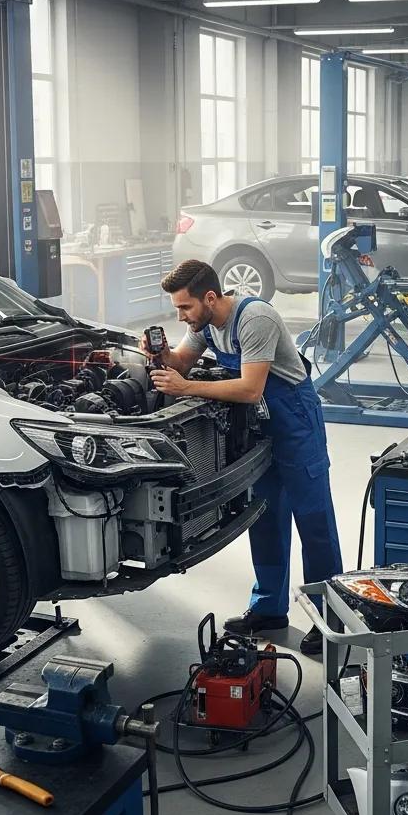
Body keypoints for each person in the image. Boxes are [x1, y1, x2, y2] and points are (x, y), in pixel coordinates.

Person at [141, 259, 343, 656]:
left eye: (185, 307)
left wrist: (186, 387)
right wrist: (161, 354)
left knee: (314, 519)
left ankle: (329, 619)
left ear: (210, 297)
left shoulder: (256, 319)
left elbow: (251, 388)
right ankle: (269, 608)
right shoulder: (206, 324)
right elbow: (180, 363)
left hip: (296, 422)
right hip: (261, 427)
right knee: (264, 515)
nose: (180, 315)